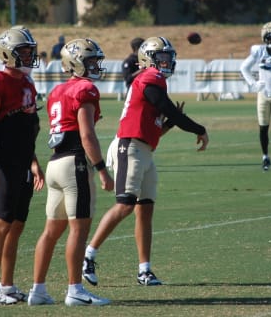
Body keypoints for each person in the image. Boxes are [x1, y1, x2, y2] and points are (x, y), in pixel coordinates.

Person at [83, 36, 209, 287]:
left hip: (143, 151)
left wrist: (173, 121)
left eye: (168, 57)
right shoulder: (149, 79)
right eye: (161, 57)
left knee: (145, 209)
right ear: (148, 59)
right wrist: (198, 128)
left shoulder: (152, 83)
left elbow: (156, 128)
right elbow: (167, 108)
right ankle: (87, 256)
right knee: (125, 205)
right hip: (129, 147)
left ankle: (144, 270)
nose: (166, 62)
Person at [28, 38, 114, 307]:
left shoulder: (57, 90)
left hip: (54, 163)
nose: (95, 66)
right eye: (90, 61)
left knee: (51, 231)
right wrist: (102, 169)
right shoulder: (85, 89)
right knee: (79, 230)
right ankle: (75, 290)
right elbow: (87, 134)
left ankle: (38, 290)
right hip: (74, 163)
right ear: (76, 63)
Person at [0, 27, 45, 305]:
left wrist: (34, 163)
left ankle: (7, 285)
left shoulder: (27, 84)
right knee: (1, 224)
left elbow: (26, 131)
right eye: (23, 51)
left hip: (22, 163)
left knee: (16, 226)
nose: (29, 56)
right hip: (2, 163)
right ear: (8, 54)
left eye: (30, 51)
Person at [240, 21, 271, 171]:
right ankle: (265, 157)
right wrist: (253, 84)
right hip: (263, 94)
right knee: (263, 128)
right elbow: (244, 67)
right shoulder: (259, 51)